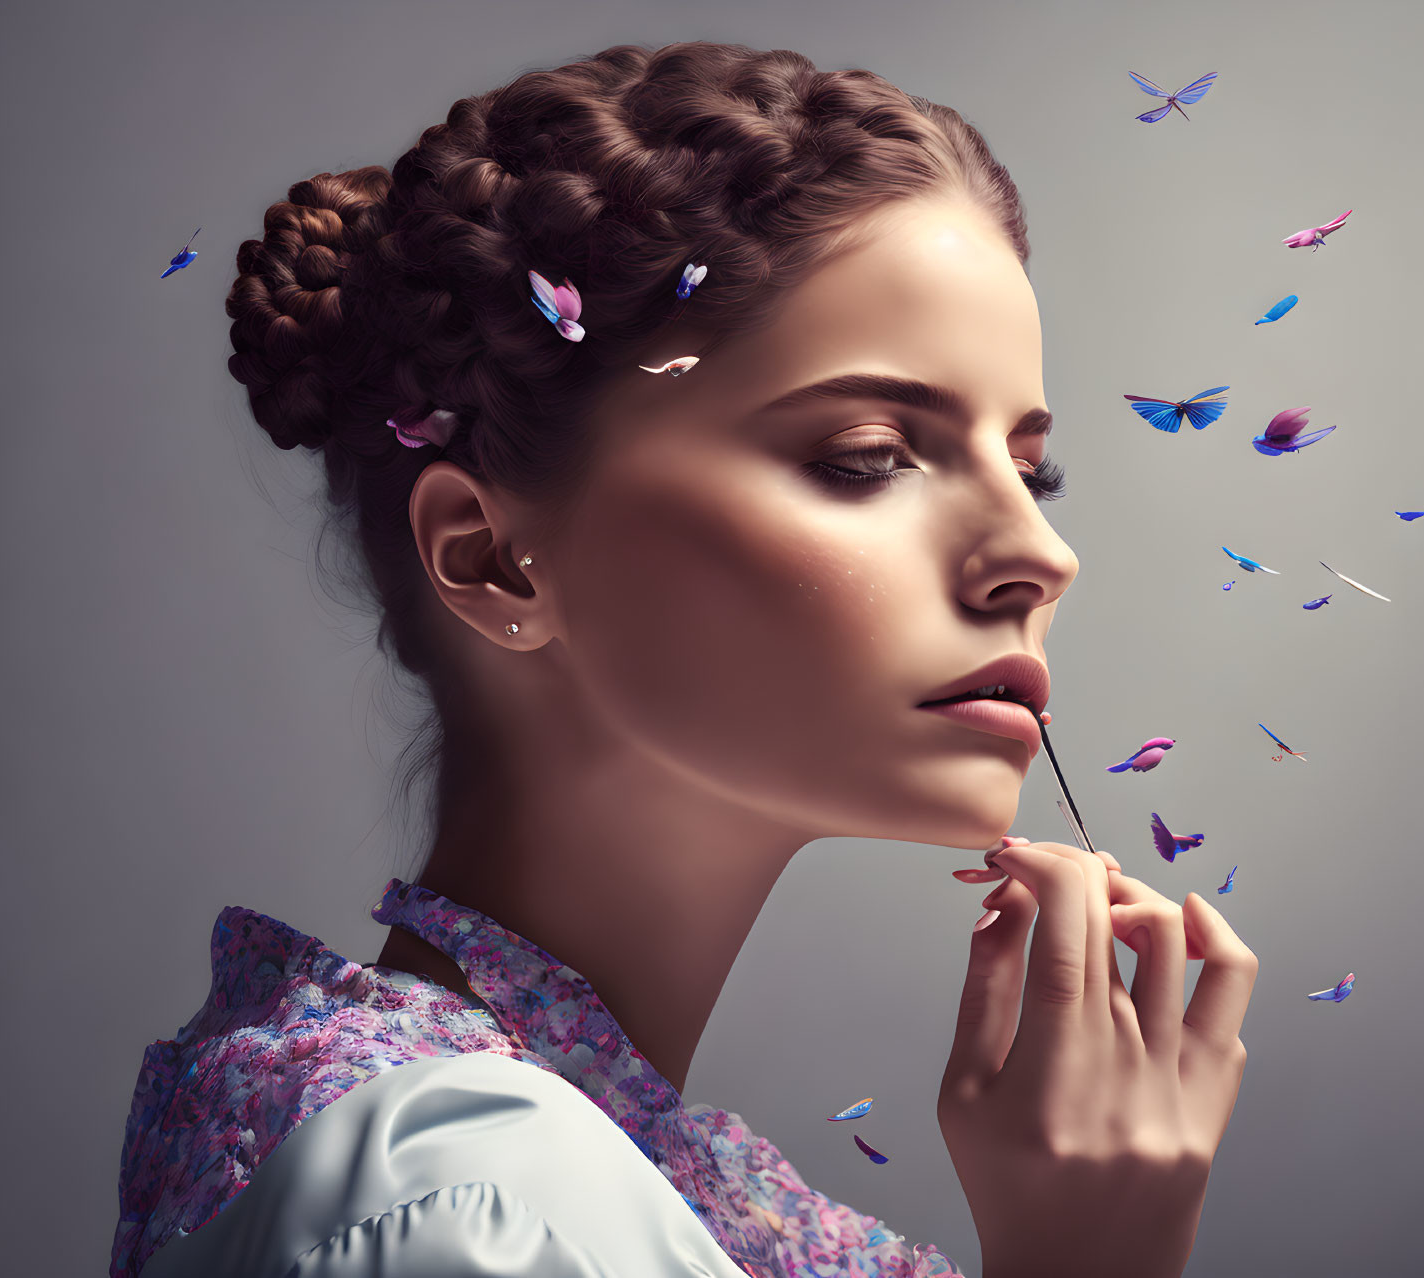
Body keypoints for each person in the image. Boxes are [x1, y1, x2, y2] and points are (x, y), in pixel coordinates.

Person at [111, 39, 1258, 1278]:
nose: (1039, 551)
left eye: (1031, 471)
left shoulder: (592, 1177)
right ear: (492, 559)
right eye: (867, 455)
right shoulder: (469, 1213)